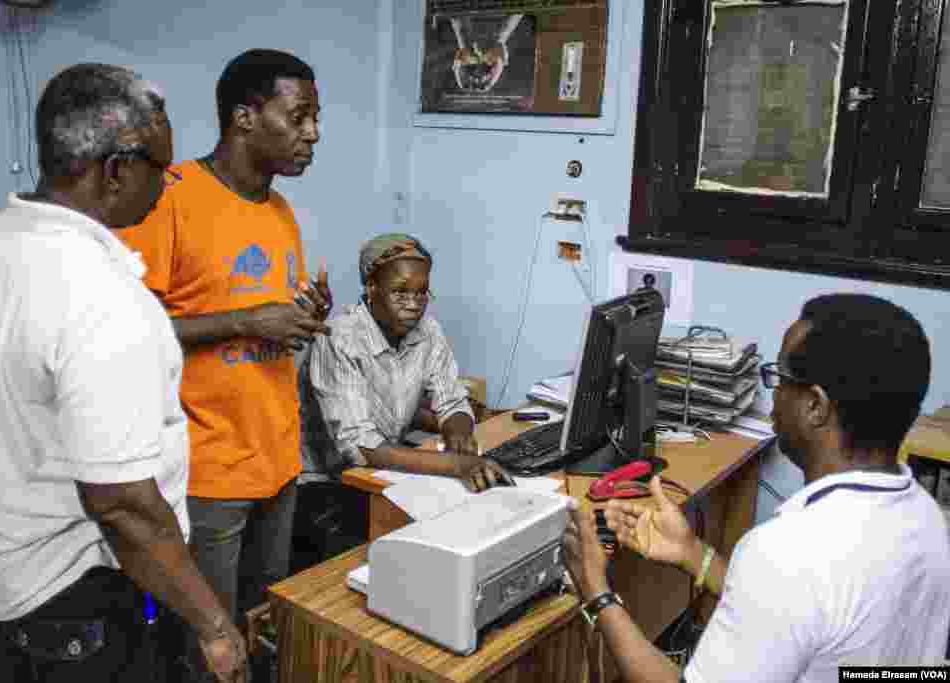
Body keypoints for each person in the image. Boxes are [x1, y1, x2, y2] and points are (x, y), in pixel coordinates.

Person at [0, 64, 246, 683]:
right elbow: (121, 502)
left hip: (1, 584)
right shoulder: (99, 292)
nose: (170, 184)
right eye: (163, 167)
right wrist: (214, 625)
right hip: (80, 598)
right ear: (116, 170)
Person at [562, 293, 950, 682]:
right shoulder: (926, 517)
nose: (774, 395)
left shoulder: (788, 553)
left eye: (779, 378)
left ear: (815, 405)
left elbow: (797, 582)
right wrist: (693, 553)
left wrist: (597, 590)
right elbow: (809, 608)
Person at [115, 48, 330, 678]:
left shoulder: (280, 212)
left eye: (316, 117)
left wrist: (301, 316)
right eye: (300, 116)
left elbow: (263, 316)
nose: (313, 132)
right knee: (209, 652)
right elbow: (130, 332)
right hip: (207, 475)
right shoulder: (170, 198)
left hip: (277, 461)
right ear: (245, 116)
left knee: (262, 637)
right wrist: (246, 321)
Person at [303, 232, 512, 493]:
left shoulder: (428, 331)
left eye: (422, 293)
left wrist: (458, 431)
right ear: (371, 287)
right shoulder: (339, 339)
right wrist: (457, 464)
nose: (414, 304)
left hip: (387, 470)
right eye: (400, 292)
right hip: (329, 480)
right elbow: (359, 447)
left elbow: (452, 401)